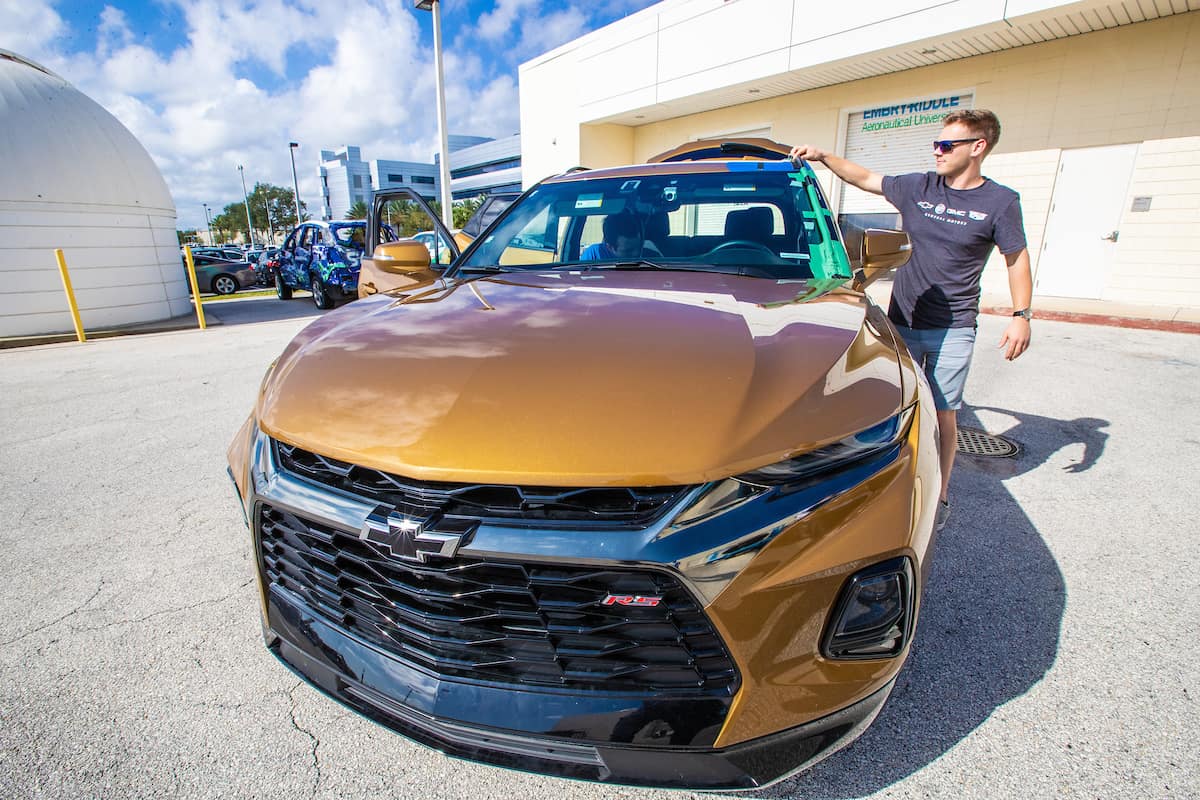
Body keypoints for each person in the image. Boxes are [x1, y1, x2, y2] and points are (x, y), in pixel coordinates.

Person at [790, 108, 1032, 532]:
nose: (936, 151)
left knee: (942, 412)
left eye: (946, 145)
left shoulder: (1000, 202)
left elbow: (1017, 258)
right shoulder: (919, 186)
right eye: (936, 144)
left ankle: (939, 495)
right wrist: (823, 156)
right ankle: (890, 488)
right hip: (901, 320)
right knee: (893, 405)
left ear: (978, 148)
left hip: (953, 326)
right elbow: (866, 178)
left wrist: (1021, 316)